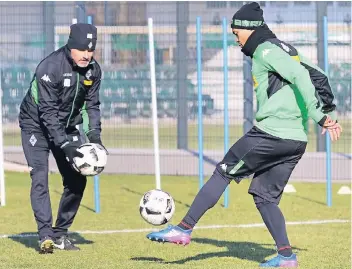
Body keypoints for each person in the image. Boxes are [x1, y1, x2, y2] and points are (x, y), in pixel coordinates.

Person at [146, 2, 342, 268]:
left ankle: (183, 228)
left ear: (248, 28)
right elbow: (319, 76)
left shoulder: (264, 50)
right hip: (296, 140)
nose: (234, 37)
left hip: (272, 133)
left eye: (235, 31)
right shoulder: (287, 49)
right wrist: (327, 111)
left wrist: (320, 116)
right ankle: (286, 256)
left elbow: (299, 76)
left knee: (223, 171)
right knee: (265, 197)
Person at [19, 23, 107, 254]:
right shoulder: (49, 68)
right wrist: (65, 145)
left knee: (78, 179)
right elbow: (47, 113)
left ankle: (60, 234)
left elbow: (92, 105)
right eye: (82, 50)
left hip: (67, 126)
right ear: (70, 46)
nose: (87, 55)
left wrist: (94, 135)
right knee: (40, 177)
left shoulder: (93, 70)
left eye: (91, 50)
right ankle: (45, 235)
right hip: (35, 125)